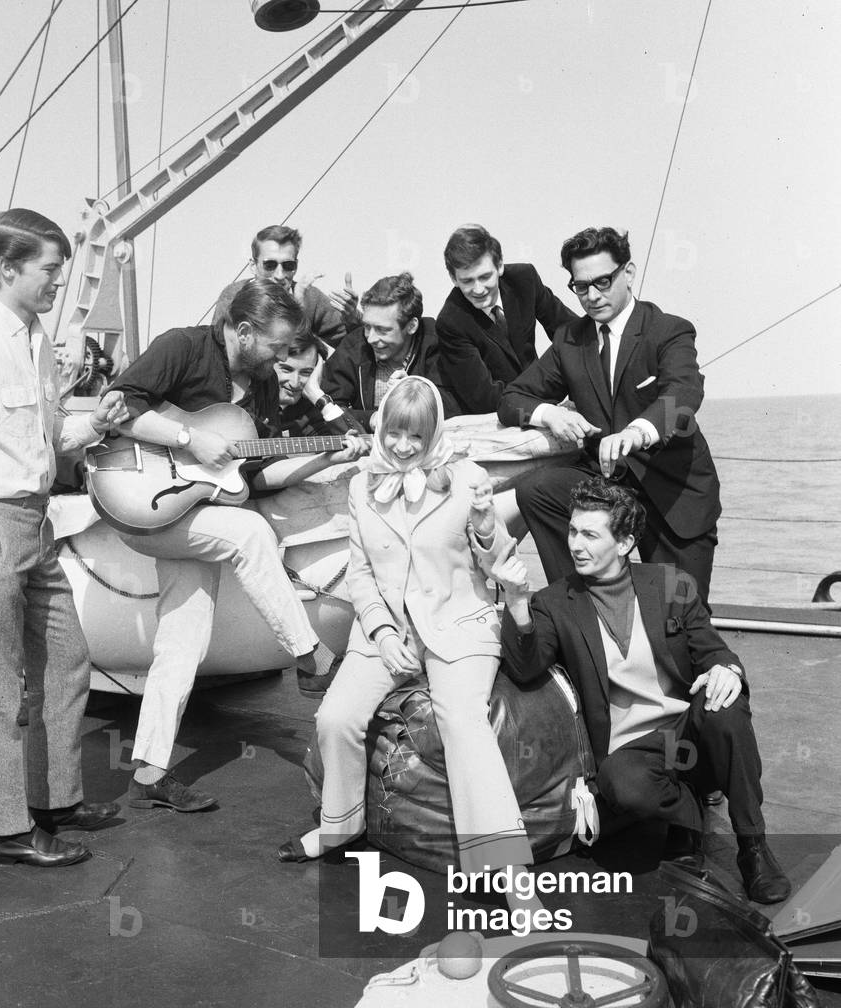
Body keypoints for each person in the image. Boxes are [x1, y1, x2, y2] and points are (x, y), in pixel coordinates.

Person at [109, 279, 366, 813]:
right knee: (250, 532)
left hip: (194, 513)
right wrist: (187, 438)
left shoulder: (262, 385)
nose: (279, 356)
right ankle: (311, 656)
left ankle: (149, 773)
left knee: (182, 640)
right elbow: (118, 405)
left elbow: (258, 477)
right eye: (273, 345)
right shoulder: (183, 347)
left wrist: (329, 457)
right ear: (243, 330)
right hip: (140, 502)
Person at [0, 208, 129, 867]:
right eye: (48, 270)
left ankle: (53, 801)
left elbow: (41, 441)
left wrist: (94, 422)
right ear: (7, 268)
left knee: (67, 656)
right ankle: (10, 832)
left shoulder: (35, 338)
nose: (57, 283)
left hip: (33, 523)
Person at [277, 376, 536, 891]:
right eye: (395, 433)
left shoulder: (468, 479)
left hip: (460, 623)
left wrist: (486, 521)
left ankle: (509, 874)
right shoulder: (360, 486)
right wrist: (381, 631)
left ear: (433, 432)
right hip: (386, 629)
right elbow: (360, 573)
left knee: (463, 722)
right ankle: (340, 828)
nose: (402, 447)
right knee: (334, 718)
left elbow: (499, 563)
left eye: (416, 437)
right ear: (382, 430)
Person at [496, 478, 790, 904]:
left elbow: (713, 650)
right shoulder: (555, 602)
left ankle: (753, 847)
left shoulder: (671, 583)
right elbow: (524, 668)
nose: (575, 543)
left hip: (688, 730)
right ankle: (689, 818)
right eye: (573, 531)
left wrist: (727, 669)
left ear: (626, 542)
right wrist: (518, 603)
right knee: (624, 785)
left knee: (727, 703)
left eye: (590, 534)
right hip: (632, 752)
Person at [499, 227, 722, 608]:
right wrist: (549, 412)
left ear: (629, 273)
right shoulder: (571, 339)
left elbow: (683, 394)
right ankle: (584, 609)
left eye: (603, 281)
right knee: (538, 489)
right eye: (581, 286)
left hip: (672, 493)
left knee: (678, 625)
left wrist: (637, 433)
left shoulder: (668, 330)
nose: (593, 295)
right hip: (607, 488)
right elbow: (512, 398)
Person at [435, 224, 577, 415]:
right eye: (467, 281)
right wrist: (543, 409)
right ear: (453, 278)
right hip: (496, 417)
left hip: (542, 399)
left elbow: (571, 332)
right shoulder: (450, 322)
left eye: (485, 277)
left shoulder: (524, 278)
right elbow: (484, 398)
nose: (478, 289)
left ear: (500, 266)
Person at [320, 271, 459, 430]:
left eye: (382, 330)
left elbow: (456, 408)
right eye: (367, 326)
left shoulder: (438, 342)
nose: (371, 338)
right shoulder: (355, 345)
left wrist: (414, 391)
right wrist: (371, 419)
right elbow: (327, 407)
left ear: (412, 326)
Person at [212, 224, 358, 348]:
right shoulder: (233, 295)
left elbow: (353, 347)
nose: (280, 275)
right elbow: (215, 348)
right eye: (270, 265)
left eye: (288, 265)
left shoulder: (310, 297)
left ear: (296, 266)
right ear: (253, 265)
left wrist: (353, 319)